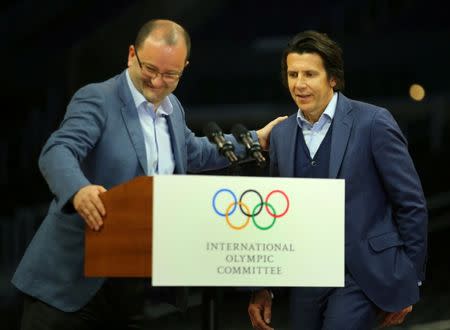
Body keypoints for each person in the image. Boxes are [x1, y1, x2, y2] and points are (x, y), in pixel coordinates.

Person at [12, 19, 285, 329]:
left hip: (134, 288)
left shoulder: (173, 109)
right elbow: (58, 150)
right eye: (151, 70)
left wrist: (255, 138)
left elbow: (193, 152)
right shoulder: (98, 98)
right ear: (132, 55)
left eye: (170, 74)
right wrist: (79, 190)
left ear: (185, 67)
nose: (157, 82)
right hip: (69, 286)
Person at [248, 30, 428, 330]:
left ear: (333, 78)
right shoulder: (281, 135)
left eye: (310, 74)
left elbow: (411, 203)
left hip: (361, 276)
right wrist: (263, 286)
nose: (299, 84)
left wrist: (408, 280)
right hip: (305, 277)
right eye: (293, 74)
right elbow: (275, 217)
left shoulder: (373, 121)